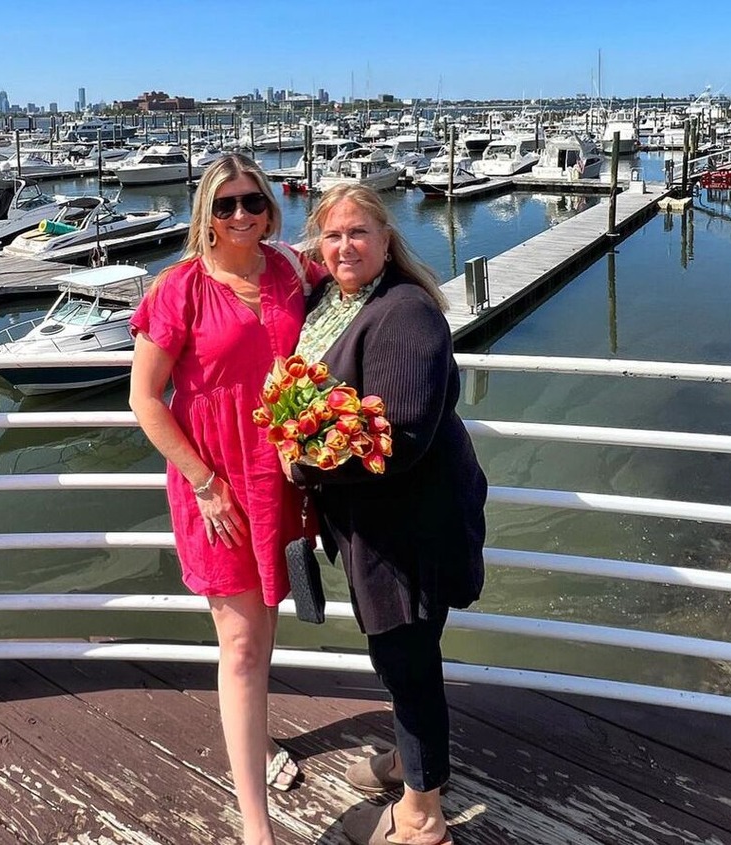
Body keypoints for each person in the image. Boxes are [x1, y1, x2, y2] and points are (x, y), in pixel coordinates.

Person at [129, 153, 325, 845]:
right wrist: (205, 483)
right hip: (216, 481)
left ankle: (256, 741)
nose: (240, 215)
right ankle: (255, 824)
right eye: (225, 205)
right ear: (205, 215)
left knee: (263, 628)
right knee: (240, 642)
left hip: (282, 478)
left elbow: (362, 271)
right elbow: (145, 400)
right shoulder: (179, 288)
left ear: (270, 209)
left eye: (252, 202)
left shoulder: (293, 272)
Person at [286, 184, 487, 845]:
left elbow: (396, 435)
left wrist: (303, 458)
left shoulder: (404, 313)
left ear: (386, 240)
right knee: (397, 651)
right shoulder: (331, 305)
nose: (343, 245)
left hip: (411, 526)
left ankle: (424, 817)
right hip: (371, 524)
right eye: (332, 234)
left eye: (358, 232)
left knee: (406, 657)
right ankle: (412, 763)